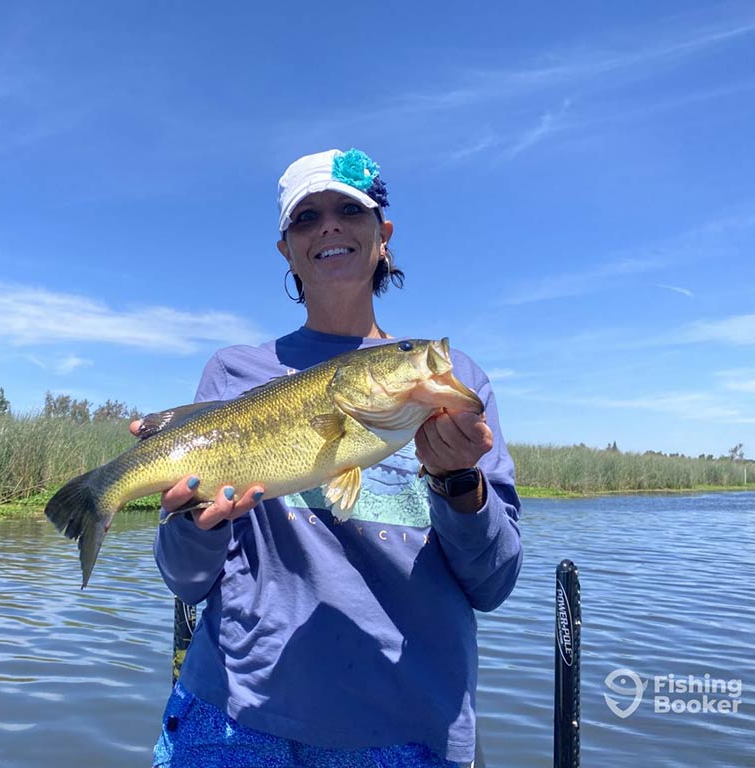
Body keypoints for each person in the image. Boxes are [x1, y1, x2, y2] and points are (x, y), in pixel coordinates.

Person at [147, 148, 523, 768]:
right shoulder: (232, 374)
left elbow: (493, 583)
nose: (329, 226)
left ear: (383, 237)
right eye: (306, 217)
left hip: (406, 729)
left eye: (351, 209)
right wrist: (191, 524)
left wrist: (460, 485)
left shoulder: (459, 386)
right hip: (235, 714)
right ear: (286, 251)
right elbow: (187, 581)